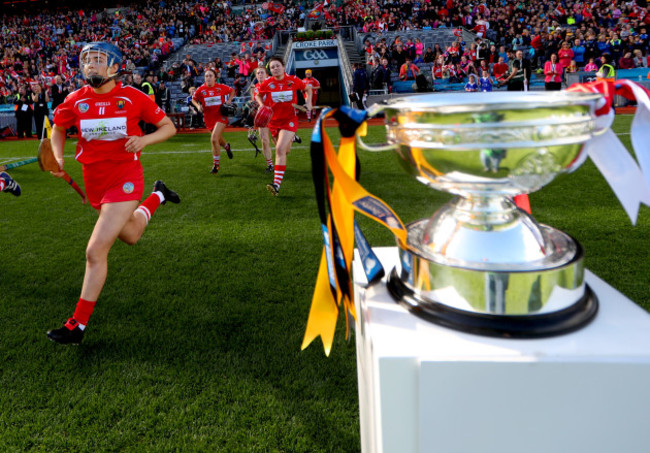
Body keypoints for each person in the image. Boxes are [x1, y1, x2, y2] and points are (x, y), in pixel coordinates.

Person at [45, 42, 180, 345]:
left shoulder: (133, 97)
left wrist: (143, 141)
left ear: (115, 66)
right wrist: (58, 155)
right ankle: (159, 194)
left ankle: (77, 325)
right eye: (87, 61)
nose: (90, 66)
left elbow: (168, 127)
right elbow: (57, 128)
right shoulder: (74, 100)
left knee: (95, 251)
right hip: (95, 182)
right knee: (131, 234)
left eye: (97, 60)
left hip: (125, 178)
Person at [255, 57, 312, 197]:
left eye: (277, 66)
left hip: (289, 120)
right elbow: (258, 95)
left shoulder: (292, 80)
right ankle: (291, 139)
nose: (275, 68)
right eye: (272, 67)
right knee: (285, 151)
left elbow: (308, 88)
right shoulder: (267, 83)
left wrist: (308, 102)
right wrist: (262, 105)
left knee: (279, 149)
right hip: (273, 122)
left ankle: (276, 185)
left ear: (283, 66)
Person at [192, 68, 234, 174]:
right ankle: (226, 146)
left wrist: (229, 100)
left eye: (210, 76)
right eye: (206, 76)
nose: (208, 78)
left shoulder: (221, 87)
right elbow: (193, 99)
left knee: (214, 139)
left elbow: (232, 90)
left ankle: (216, 166)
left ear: (215, 78)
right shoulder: (201, 89)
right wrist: (198, 106)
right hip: (208, 118)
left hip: (221, 117)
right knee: (218, 139)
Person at [251, 67, 274, 173]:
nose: (260, 74)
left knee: (277, 142)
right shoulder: (255, 87)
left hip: (274, 116)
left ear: (266, 74)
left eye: (262, 73)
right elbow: (254, 100)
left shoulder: (272, 84)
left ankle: (291, 137)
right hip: (263, 117)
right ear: (256, 76)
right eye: (258, 73)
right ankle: (270, 165)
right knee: (264, 141)